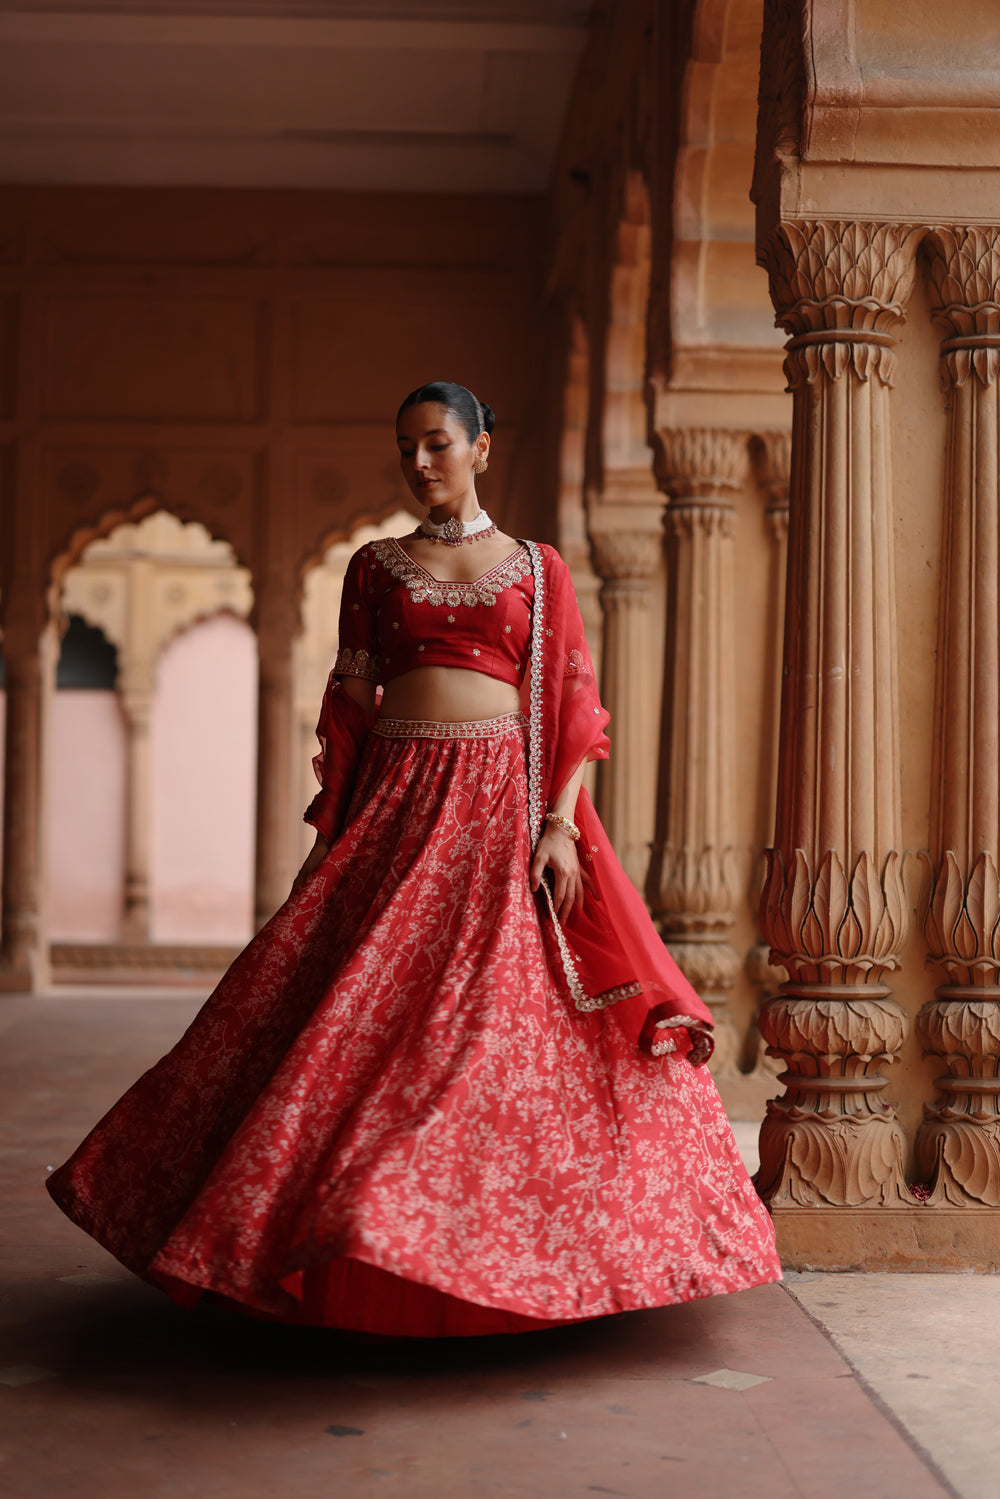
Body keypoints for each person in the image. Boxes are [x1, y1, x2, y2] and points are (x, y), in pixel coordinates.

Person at [48, 381, 781, 1337]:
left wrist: (557, 826)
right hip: (398, 811)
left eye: (437, 443)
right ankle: (342, 1231)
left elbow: (571, 706)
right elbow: (350, 706)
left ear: (482, 446)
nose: (420, 462)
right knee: (345, 1017)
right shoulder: (375, 567)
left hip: (500, 822)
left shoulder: (539, 568)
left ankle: (485, 1256)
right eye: (406, 449)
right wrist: (331, 835)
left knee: (484, 1036)